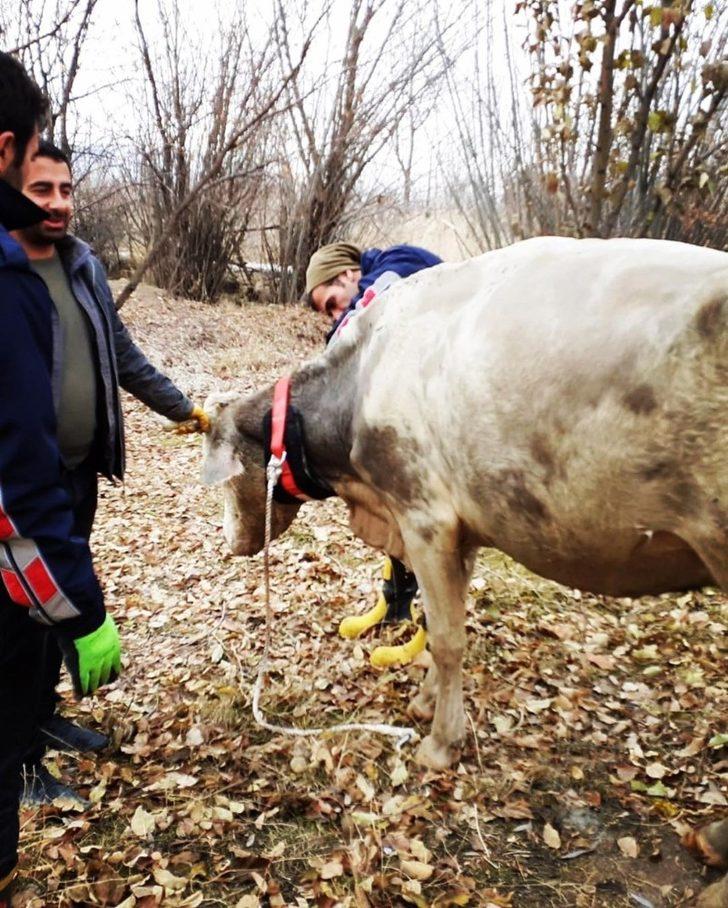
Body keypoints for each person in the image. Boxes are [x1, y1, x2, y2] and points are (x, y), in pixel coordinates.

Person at [9, 139, 209, 807]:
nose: (59, 203)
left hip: (76, 475)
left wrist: (184, 409)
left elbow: (121, 353)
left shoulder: (83, 266)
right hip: (21, 489)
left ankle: (41, 717)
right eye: (42, 190)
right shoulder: (7, 275)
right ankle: (18, 764)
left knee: (53, 610)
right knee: (18, 623)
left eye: (66, 189)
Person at [305, 242, 442, 663]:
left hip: (452, 420)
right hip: (421, 411)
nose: (335, 314)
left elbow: (362, 318)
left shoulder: (398, 263)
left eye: (332, 302)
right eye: (328, 312)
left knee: (432, 525)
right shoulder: (372, 284)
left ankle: (434, 633)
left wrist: (333, 347)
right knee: (393, 505)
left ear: (348, 273)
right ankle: (394, 603)